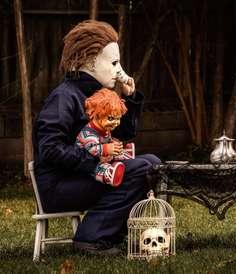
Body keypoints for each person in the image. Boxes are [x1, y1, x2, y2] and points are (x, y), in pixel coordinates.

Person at [32, 20, 161, 255]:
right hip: (60, 186)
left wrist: (130, 97)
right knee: (144, 167)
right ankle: (91, 237)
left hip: (88, 176)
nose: (119, 69)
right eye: (114, 63)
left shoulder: (98, 95)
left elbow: (125, 134)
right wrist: (99, 158)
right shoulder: (63, 98)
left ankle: (110, 234)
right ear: (91, 62)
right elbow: (50, 149)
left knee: (151, 163)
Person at [76, 88, 133, 187]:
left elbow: (107, 140)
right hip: (89, 162)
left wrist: (113, 144)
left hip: (103, 156)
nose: (116, 122)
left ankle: (123, 154)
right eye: (111, 118)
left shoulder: (104, 129)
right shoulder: (87, 133)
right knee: (98, 168)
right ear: (97, 115)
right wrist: (107, 148)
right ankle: (109, 174)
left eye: (118, 118)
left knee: (114, 149)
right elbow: (92, 149)